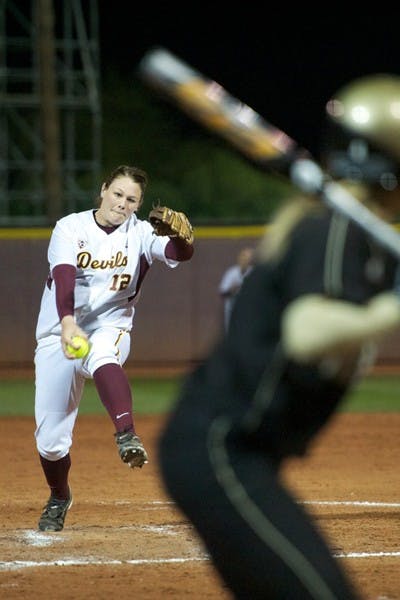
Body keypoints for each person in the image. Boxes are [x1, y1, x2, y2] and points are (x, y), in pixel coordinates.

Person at [158, 74, 400, 598]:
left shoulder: (353, 236)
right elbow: (306, 332)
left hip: (241, 456)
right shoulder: (336, 230)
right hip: (221, 450)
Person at [34, 164, 194, 532]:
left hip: (112, 326)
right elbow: (64, 276)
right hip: (59, 331)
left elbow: (177, 252)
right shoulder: (70, 227)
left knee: (103, 352)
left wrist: (185, 240)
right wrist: (68, 322)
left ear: (137, 206)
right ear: (103, 190)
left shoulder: (140, 233)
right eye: (118, 194)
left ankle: (126, 434)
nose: (122, 203)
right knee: (51, 442)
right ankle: (59, 496)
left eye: (131, 199)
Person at [218, 246, 254, 331]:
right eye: (243, 257)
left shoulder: (253, 272)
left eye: (248, 258)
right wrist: (231, 290)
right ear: (239, 259)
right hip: (232, 311)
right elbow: (222, 293)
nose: (245, 260)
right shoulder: (232, 273)